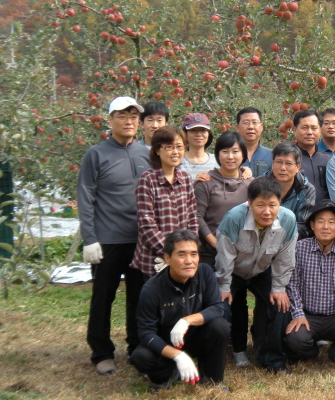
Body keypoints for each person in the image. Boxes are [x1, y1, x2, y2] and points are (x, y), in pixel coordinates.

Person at [77, 96, 150, 375]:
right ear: (110, 120)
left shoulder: (145, 152)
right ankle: (101, 351)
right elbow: (85, 197)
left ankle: (136, 346)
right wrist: (89, 238)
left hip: (140, 240)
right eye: (122, 115)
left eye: (134, 116)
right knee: (103, 296)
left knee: (139, 295)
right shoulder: (96, 154)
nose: (129, 121)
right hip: (107, 240)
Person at [215, 176, 298, 372]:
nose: (267, 211)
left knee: (280, 305)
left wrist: (279, 287)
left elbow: (285, 257)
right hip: (233, 270)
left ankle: (272, 358)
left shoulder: (288, 220)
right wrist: (224, 286)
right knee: (223, 307)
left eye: (272, 205)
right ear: (250, 204)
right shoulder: (234, 217)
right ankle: (234, 350)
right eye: (260, 205)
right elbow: (224, 255)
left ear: (280, 204)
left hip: (262, 270)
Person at [130, 230, 230, 392]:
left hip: (195, 337)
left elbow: (217, 308)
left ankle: (212, 380)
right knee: (140, 357)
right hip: (166, 343)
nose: (189, 261)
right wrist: (178, 356)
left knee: (220, 326)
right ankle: (169, 374)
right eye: (181, 255)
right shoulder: (151, 289)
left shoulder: (205, 273)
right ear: (167, 258)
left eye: (194, 254)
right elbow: (146, 333)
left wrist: (186, 321)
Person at [285, 200, 335, 363]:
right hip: (308, 315)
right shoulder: (300, 247)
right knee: (295, 338)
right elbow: (292, 285)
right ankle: (311, 352)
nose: (325, 227)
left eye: (331, 222)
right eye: (320, 221)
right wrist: (298, 314)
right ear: (312, 225)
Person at [131, 126, 199, 279]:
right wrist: (169, 254)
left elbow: (192, 218)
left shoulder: (186, 179)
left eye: (179, 147)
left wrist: (188, 250)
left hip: (182, 261)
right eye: (169, 147)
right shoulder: (147, 180)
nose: (175, 152)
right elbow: (147, 225)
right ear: (157, 150)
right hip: (154, 261)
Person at [194, 131, 252, 268]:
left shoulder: (250, 183)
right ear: (218, 155)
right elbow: (197, 216)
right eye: (225, 151)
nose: (230, 156)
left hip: (241, 251)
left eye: (235, 151)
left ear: (243, 154)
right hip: (210, 251)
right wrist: (215, 243)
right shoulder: (205, 182)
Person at [269, 142, 316, 239]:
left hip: (294, 243)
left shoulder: (306, 189)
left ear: (297, 167)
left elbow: (304, 226)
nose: (283, 168)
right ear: (272, 164)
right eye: (278, 162)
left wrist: (277, 233)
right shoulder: (260, 186)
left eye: (288, 163)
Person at [293, 109, 330, 201]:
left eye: (314, 128)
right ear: (295, 130)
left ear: (320, 130)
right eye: (304, 127)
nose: (309, 132)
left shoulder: (328, 160)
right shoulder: (287, 159)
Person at [180, 113, 219, 181]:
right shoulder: (177, 160)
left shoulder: (218, 160)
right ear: (185, 134)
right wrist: (194, 183)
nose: (198, 134)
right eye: (193, 130)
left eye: (203, 130)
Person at [237, 107, 272, 177]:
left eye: (254, 122)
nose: (250, 127)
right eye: (246, 123)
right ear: (237, 128)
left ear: (261, 127)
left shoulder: (272, 155)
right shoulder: (230, 156)